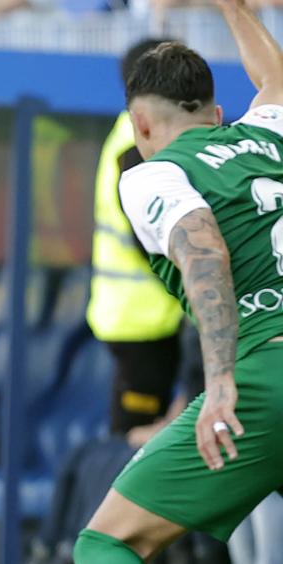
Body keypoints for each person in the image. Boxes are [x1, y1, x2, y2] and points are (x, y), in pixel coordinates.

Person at [42, 3, 283, 564]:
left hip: (264, 378)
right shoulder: (269, 133)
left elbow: (204, 252)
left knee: (108, 540)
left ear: (138, 125)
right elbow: (274, 80)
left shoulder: (153, 175)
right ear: (215, 112)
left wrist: (218, 384)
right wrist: (236, 8)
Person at [88, 38, 186, 439]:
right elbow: (149, 239)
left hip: (140, 318)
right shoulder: (135, 150)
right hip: (139, 321)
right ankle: (120, 500)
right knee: (135, 436)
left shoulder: (129, 134)